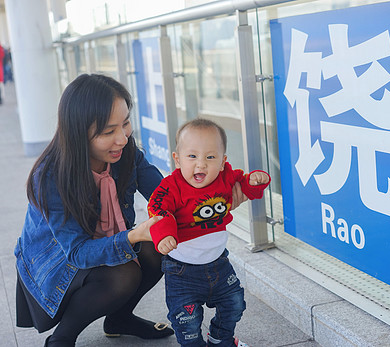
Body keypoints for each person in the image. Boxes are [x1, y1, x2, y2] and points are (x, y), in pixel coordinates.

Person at [14, 75, 248, 347]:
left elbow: (171, 197)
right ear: (79, 133)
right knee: (124, 273)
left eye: (125, 123)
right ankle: (62, 338)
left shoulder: (126, 152)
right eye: (107, 132)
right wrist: (133, 236)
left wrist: (215, 201)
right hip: (58, 263)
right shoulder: (51, 177)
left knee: (160, 246)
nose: (122, 138)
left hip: (104, 244)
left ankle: (120, 319)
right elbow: (77, 252)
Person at [147, 118, 271, 347]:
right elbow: (158, 207)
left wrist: (255, 181)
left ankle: (220, 339)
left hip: (219, 264)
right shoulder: (171, 186)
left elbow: (244, 186)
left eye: (210, 157)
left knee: (234, 303)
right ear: (177, 159)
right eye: (192, 156)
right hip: (181, 270)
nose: (201, 164)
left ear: (223, 161)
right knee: (187, 321)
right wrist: (164, 234)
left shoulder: (225, 177)